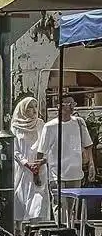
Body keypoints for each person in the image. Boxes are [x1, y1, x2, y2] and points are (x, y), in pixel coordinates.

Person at [35, 95, 96, 225]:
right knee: (59, 205)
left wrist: (91, 164)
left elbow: (88, 145)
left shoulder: (79, 122)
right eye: (68, 103)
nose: (72, 106)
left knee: (72, 208)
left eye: (72, 103)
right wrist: (37, 172)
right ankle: (61, 234)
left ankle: (71, 232)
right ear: (59, 106)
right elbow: (41, 152)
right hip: (56, 173)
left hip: (75, 172)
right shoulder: (50, 127)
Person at [11, 95, 46, 231]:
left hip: (39, 166)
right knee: (19, 196)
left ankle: (34, 228)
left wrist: (39, 163)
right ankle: (18, 227)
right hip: (22, 168)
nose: (34, 110)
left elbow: (46, 145)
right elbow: (14, 150)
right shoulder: (16, 127)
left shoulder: (41, 124)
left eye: (35, 107)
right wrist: (26, 163)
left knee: (37, 197)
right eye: (30, 107)